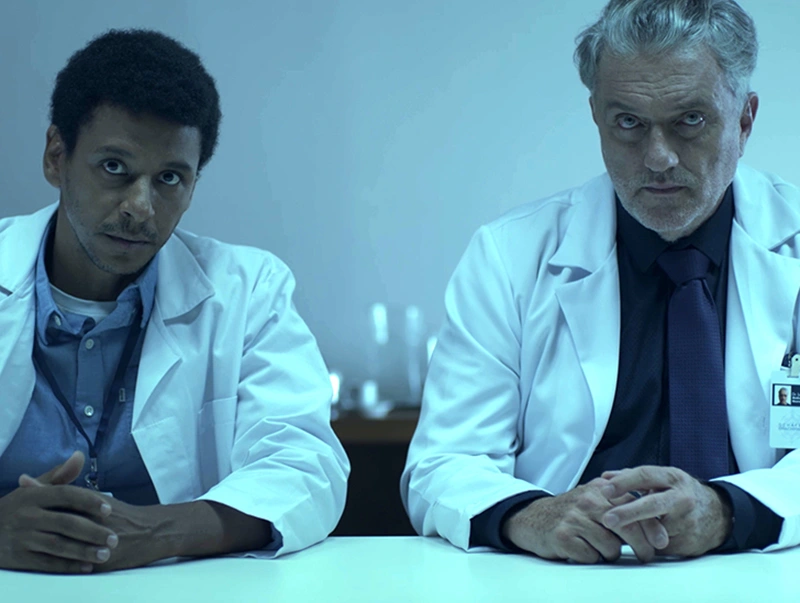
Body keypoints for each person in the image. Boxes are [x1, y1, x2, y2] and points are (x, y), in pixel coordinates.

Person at [402, 0, 800, 564]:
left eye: (690, 120)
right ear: (597, 116)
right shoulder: (508, 256)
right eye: (629, 123)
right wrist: (531, 515)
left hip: (761, 570)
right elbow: (443, 463)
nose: (658, 158)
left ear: (744, 119)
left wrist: (726, 511)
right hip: (566, 577)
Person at [0, 29, 349, 574]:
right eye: (114, 167)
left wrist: (153, 533)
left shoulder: (247, 289)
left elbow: (306, 468)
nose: (140, 207)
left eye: (169, 178)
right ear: (55, 157)